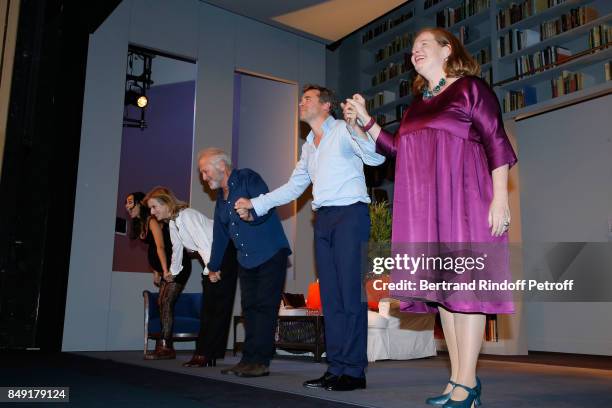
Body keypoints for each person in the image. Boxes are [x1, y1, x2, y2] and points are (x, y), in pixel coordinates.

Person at [343, 28, 517, 407]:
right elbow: (398, 149)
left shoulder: (470, 87)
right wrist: (367, 121)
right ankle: (457, 380)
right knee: (444, 295)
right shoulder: (417, 105)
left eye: (423, 44)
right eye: (412, 48)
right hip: (428, 208)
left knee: (465, 292)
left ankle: (467, 385)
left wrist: (500, 198)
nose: (415, 51)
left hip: (466, 201)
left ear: (446, 48)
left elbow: (496, 140)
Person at [234, 85, 386, 391]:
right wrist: (256, 203)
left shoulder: (344, 129)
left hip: (350, 215)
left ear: (326, 105)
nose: (301, 103)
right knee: (330, 298)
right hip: (324, 220)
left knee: (348, 295)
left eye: (307, 99)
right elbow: (294, 187)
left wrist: (358, 127)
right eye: (301, 99)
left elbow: (375, 158)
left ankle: (354, 371)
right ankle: (337, 367)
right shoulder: (309, 146)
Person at [198, 148, 291, 378]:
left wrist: (252, 214)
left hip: (270, 253)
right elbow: (220, 236)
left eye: (205, 171)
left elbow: (265, 204)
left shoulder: (248, 178)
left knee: (264, 307)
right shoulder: (221, 200)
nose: (204, 177)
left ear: (221, 166)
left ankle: (260, 361)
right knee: (249, 309)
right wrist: (213, 266)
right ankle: (248, 360)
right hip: (246, 260)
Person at [143, 186, 237, 368]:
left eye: (154, 207)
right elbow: (177, 251)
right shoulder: (173, 223)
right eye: (150, 209)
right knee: (210, 306)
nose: (152, 213)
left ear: (166, 203)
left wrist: (212, 268)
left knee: (216, 305)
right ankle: (206, 354)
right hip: (214, 256)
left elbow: (204, 242)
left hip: (223, 252)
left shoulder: (186, 215)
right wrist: (172, 273)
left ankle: (205, 354)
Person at [125, 191, 191, 360]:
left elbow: (161, 247)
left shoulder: (152, 220)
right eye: (126, 203)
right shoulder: (142, 223)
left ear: (140, 203)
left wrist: (165, 271)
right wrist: (156, 272)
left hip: (177, 267)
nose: (127, 206)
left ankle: (166, 347)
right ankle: (164, 344)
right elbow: (152, 248)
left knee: (166, 301)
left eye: (131, 202)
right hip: (165, 269)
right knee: (162, 302)